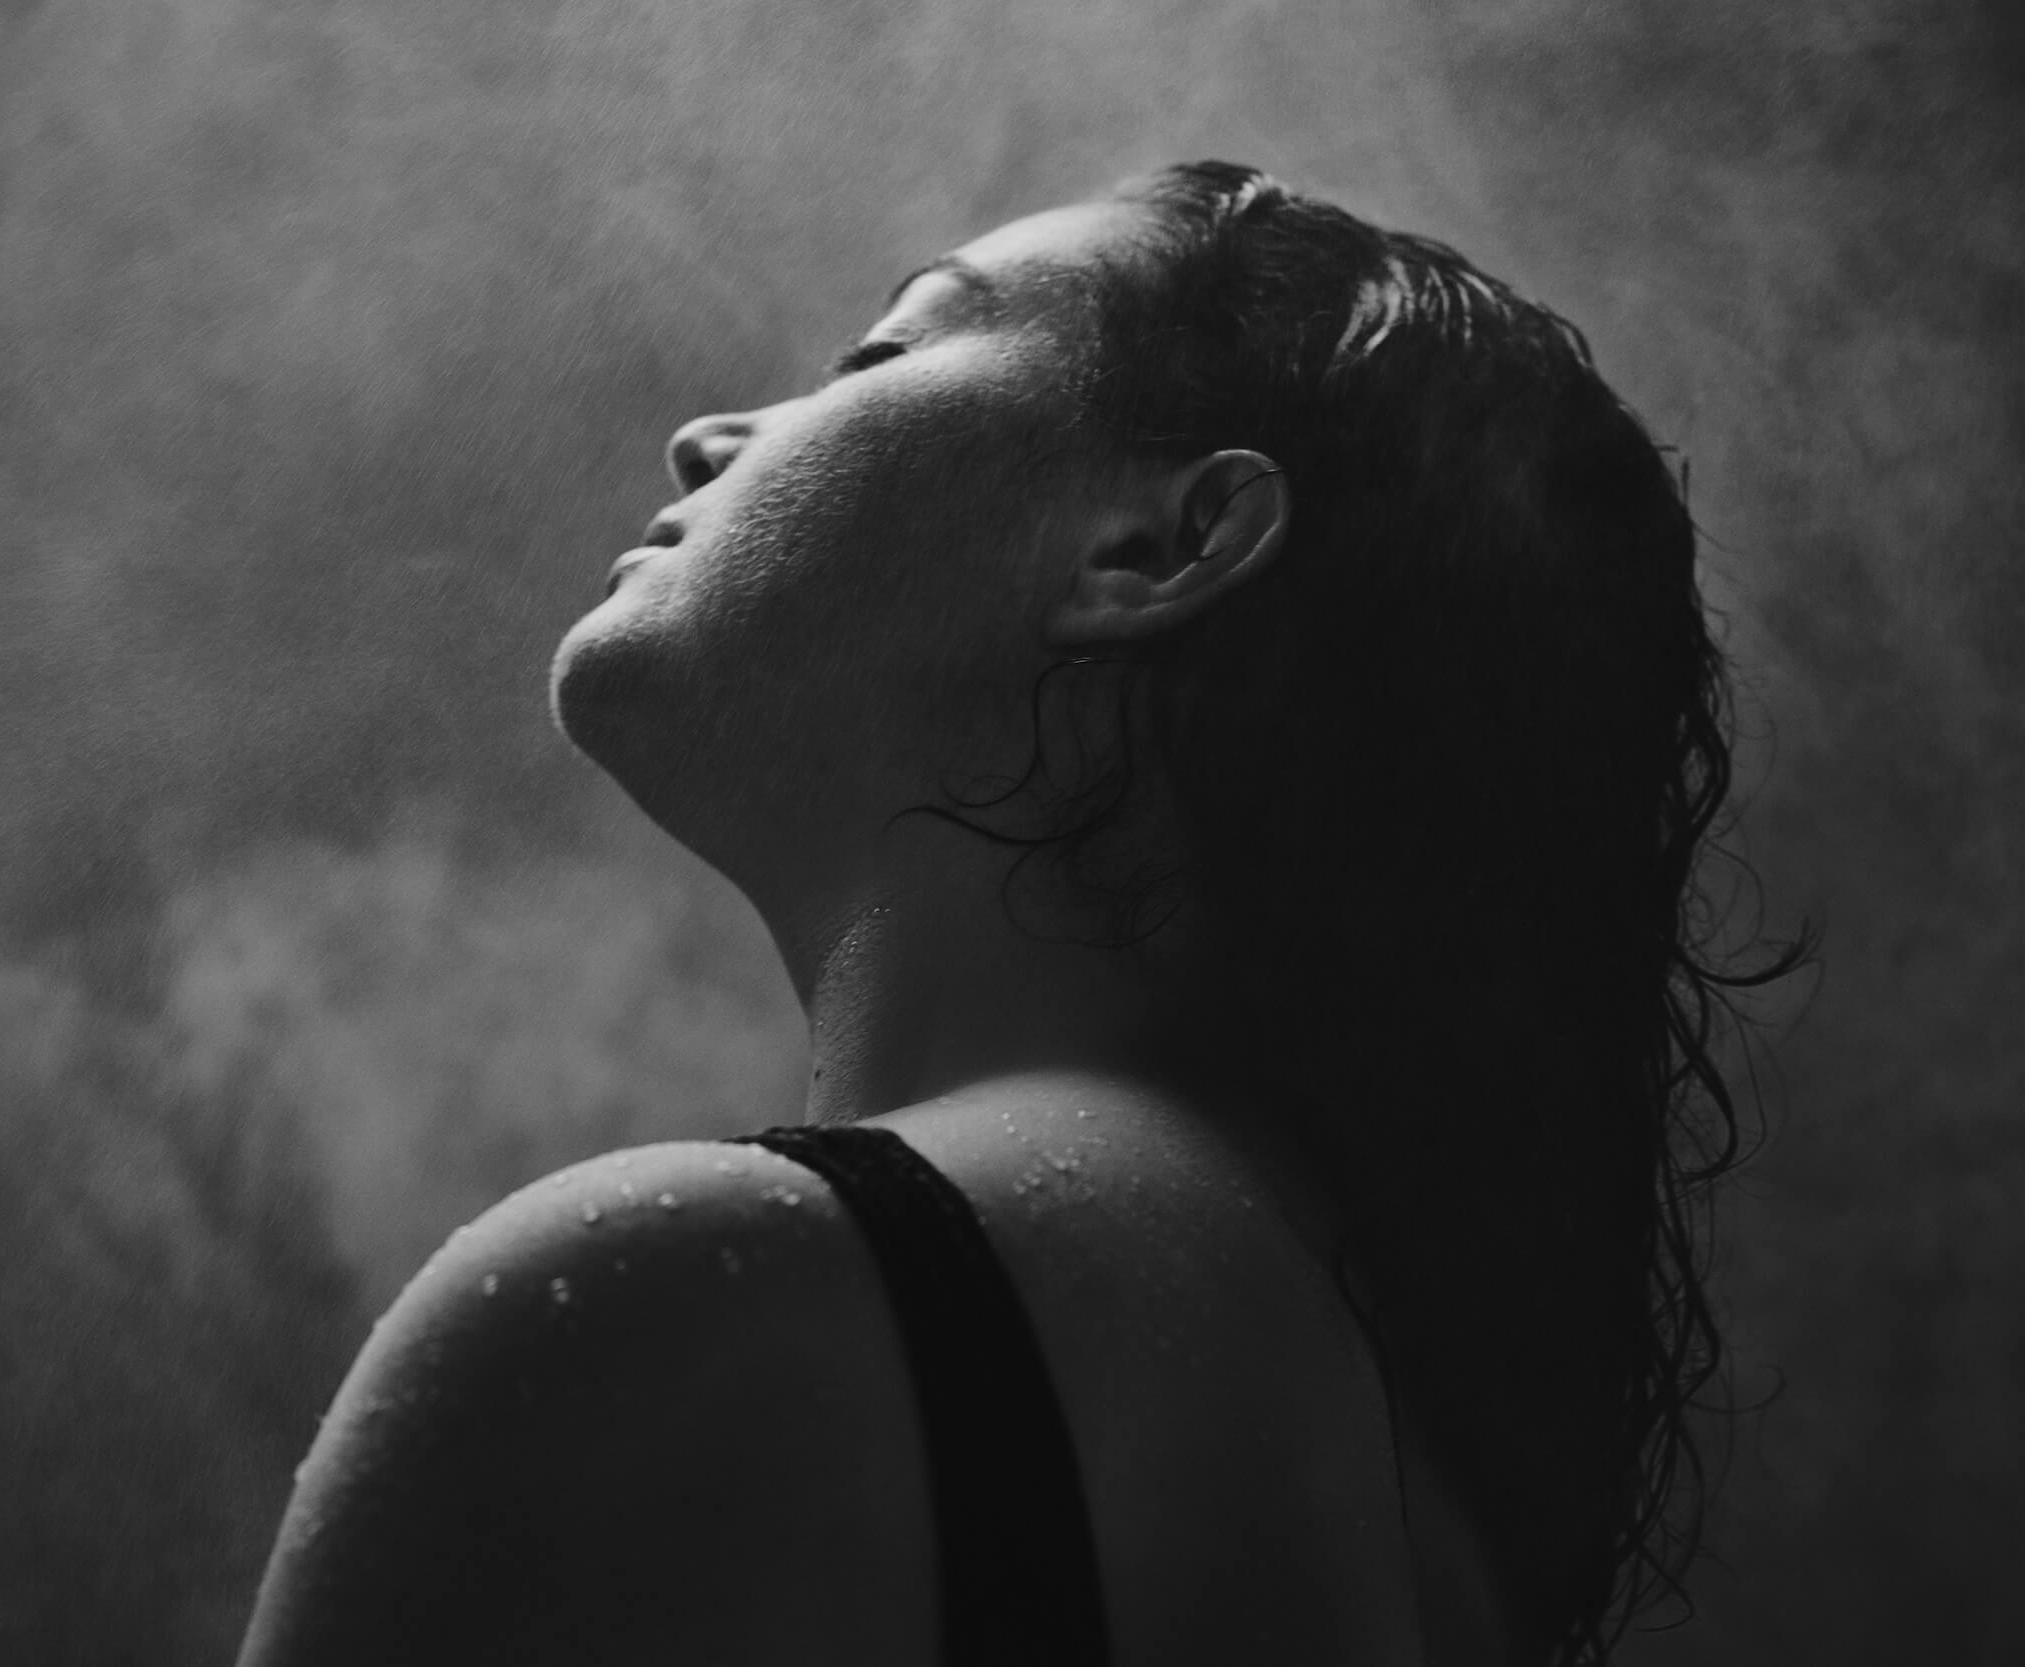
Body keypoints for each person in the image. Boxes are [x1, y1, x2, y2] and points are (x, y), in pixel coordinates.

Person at [235, 160, 1803, 1667]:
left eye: (884, 352)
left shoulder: (698, 1314)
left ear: (1157, 547)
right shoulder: (1415, 1532)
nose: (704, 435)